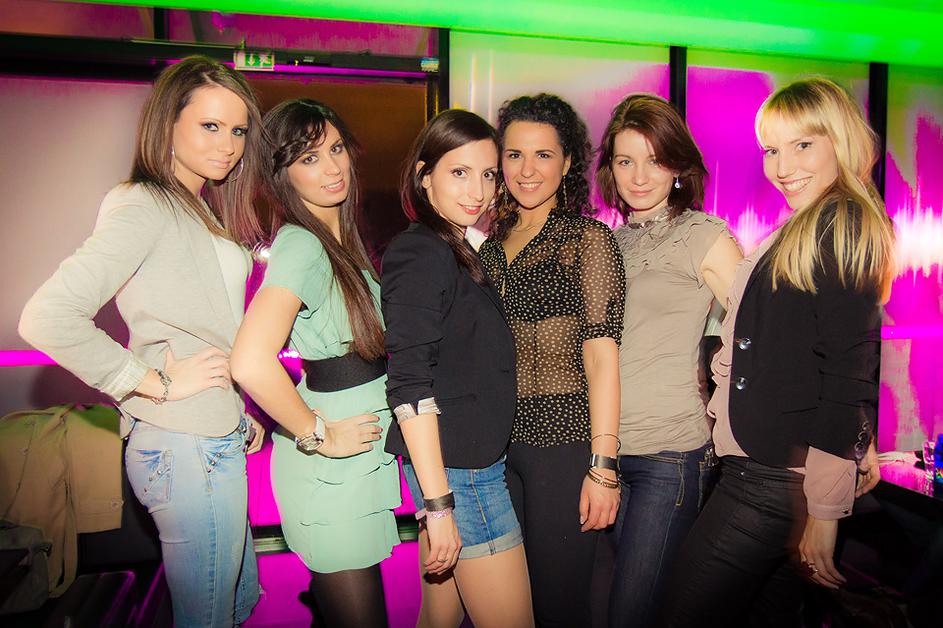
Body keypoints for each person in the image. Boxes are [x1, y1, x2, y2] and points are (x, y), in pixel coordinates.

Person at [18, 56, 265, 627]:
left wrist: (236, 406)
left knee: (230, 606)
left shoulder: (195, 207)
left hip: (206, 435)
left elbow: (203, 325)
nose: (228, 145)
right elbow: (48, 316)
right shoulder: (145, 203)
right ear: (167, 125)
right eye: (210, 126)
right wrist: (152, 383)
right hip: (185, 444)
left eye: (237, 130)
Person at [660, 77, 895, 627]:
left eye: (803, 144)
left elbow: (849, 371)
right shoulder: (810, 222)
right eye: (771, 150)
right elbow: (805, 349)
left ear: (840, 140)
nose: (783, 166)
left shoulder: (842, 223)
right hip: (772, 468)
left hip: (772, 479)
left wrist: (826, 509)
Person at [230, 99, 401, 628]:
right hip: (333, 464)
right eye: (308, 158)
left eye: (336, 149)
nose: (332, 167)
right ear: (280, 175)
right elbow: (250, 360)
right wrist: (318, 435)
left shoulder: (338, 240)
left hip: (355, 458)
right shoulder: (303, 244)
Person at [382, 109, 534, 628]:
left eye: (488, 174)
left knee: (439, 620)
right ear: (424, 176)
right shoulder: (420, 251)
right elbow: (409, 384)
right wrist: (439, 504)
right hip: (460, 474)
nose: (478, 190)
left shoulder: (455, 248)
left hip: (459, 466)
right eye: (459, 172)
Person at [595, 93, 743, 628]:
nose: (639, 177)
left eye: (655, 160)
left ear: (678, 166)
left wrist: (724, 408)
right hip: (606, 454)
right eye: (625, 160)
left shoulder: (703, 235)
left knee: (631, 613)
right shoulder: (610, 242)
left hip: (669, 455)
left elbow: (758, 332)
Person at [478, 93, 626, 627]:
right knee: (506, 608)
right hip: (497, 450)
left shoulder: (587, 240)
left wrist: (603, 467)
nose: (527, 170)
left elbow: (603, 357)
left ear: (567, 163)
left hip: (563, 446)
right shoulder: (487, 247)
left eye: (543, 155)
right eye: (514, 154)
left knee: (559, 605)